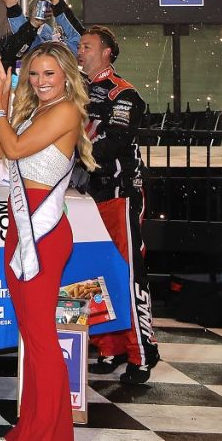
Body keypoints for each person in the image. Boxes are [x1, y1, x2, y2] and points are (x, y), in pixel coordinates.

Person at [0, 42, 96, 441]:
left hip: (42, 230)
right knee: (31, 335)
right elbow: (0, 151)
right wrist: (6, 102)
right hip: (22, 223)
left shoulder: (66, 110)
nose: (41, 81)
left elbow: (12, 147)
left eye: (49, 74)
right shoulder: (36, 110)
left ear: (65, 75)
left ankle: (50, 433)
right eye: (34, 73)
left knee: (42, 338)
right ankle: (34, 427)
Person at [77, 26, 159, 383]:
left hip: (119, 193)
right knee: (88, 272)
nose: (80, 51)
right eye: (78, 45)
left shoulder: (124, 94)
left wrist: (67, 151)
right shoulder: (75, 88)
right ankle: (107, 347)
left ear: (107, 52)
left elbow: (113, 144)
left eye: (87, 46)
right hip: (83, 196)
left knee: (127, 273)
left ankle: (142, 352)